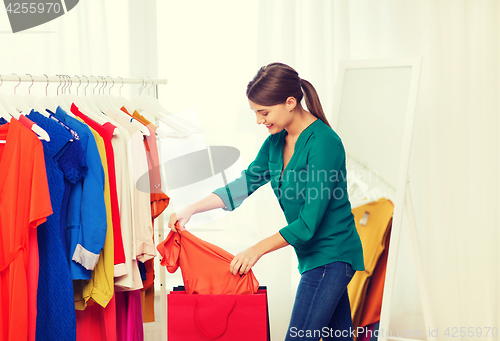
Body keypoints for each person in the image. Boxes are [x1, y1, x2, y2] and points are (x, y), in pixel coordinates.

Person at [168, 62, 365, 341]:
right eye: (256, 113)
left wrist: (255, 250)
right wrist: (192, 208)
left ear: (290, 102)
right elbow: (246, 183)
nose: (260, 121)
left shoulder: (324, 143)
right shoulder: (276, 140)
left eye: (264, 112)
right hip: (311, 257)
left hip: (332, 256)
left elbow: (308, 223)